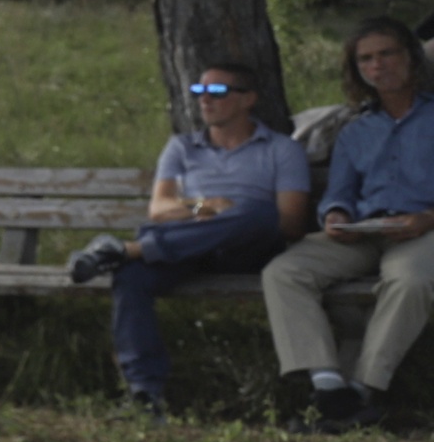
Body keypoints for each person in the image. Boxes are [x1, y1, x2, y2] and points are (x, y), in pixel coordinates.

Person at [66, 61, 308, 416]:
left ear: (248, 99)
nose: (205, 100)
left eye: (217, 91)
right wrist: (203, 207)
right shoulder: (182, 147)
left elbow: (290, 223)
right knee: (131, 277)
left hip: (246, 248)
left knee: (259, 213)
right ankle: (144, 394)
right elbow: (159, 209)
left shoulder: (281, 149)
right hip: (187, 248)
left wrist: (233, 216)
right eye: (199, 91)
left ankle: (127, 249)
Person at [261, 17, 434, 432]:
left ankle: (363, 388)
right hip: (365, 231)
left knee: (409, 281)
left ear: (411, 58)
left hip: (424, 230)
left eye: (387, 54)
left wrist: (426, 218)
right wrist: (336, 216)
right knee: (284, 272)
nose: (378, 66)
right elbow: (339, 192)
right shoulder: (356, 130)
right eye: (366, 59)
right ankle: (327, 385)